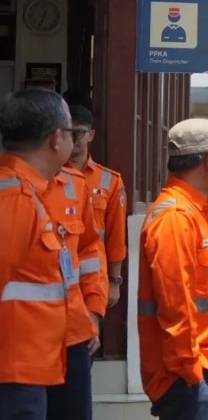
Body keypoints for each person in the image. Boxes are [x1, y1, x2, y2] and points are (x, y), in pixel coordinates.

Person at [137, 118, 208, 420]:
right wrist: (191, 371)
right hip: (191, 376)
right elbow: (176, 306)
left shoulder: (193, 213)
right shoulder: (176, 217)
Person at [0, 89, 76, 420]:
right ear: (56, 138)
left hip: (26, 369)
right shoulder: (14, 196)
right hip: (13, 375)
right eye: (72, 131)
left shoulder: (26, 191)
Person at [43, 159, 106, 420]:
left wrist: (93, 310)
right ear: (56, 138)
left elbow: (90, 248)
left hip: (73, 333)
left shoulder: (75, 184)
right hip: (19, 340)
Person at [66, 104, 128, 309]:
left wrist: (115, 281)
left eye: (79, 133)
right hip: (56, 278)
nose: (73, 139)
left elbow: (116, 236)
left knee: (90, 338)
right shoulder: (49, 174)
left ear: (91, 135)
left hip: (93, 280)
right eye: (68, 132)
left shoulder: (109, 181)